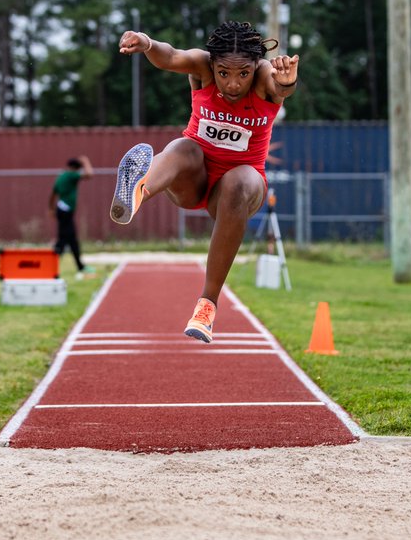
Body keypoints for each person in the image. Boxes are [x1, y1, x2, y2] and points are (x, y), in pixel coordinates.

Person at [111, 21, 299, 342]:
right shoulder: (202, 66)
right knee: (184, 146)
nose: (233, 84)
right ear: (212, 65)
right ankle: (139, 190)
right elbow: (170, 56)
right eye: (224, 73)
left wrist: (288, 83)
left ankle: (206, 305)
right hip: (193, 179)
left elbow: (281, 89)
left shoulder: (265, 76)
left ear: (256, 66)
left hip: (237, 191)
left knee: (240, 179)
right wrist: (145, 41)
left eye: (243, 74)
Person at [49, 156, 96, 275]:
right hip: (66, 212)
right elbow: (89, 174)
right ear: (75, 168)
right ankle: (50, 265)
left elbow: (53, 194)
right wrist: (85, 161)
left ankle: (80, 266)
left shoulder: (61, 176)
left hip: (61, 210)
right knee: (64, 240)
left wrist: (51, 209)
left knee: (70, 240)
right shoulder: (71, 175)